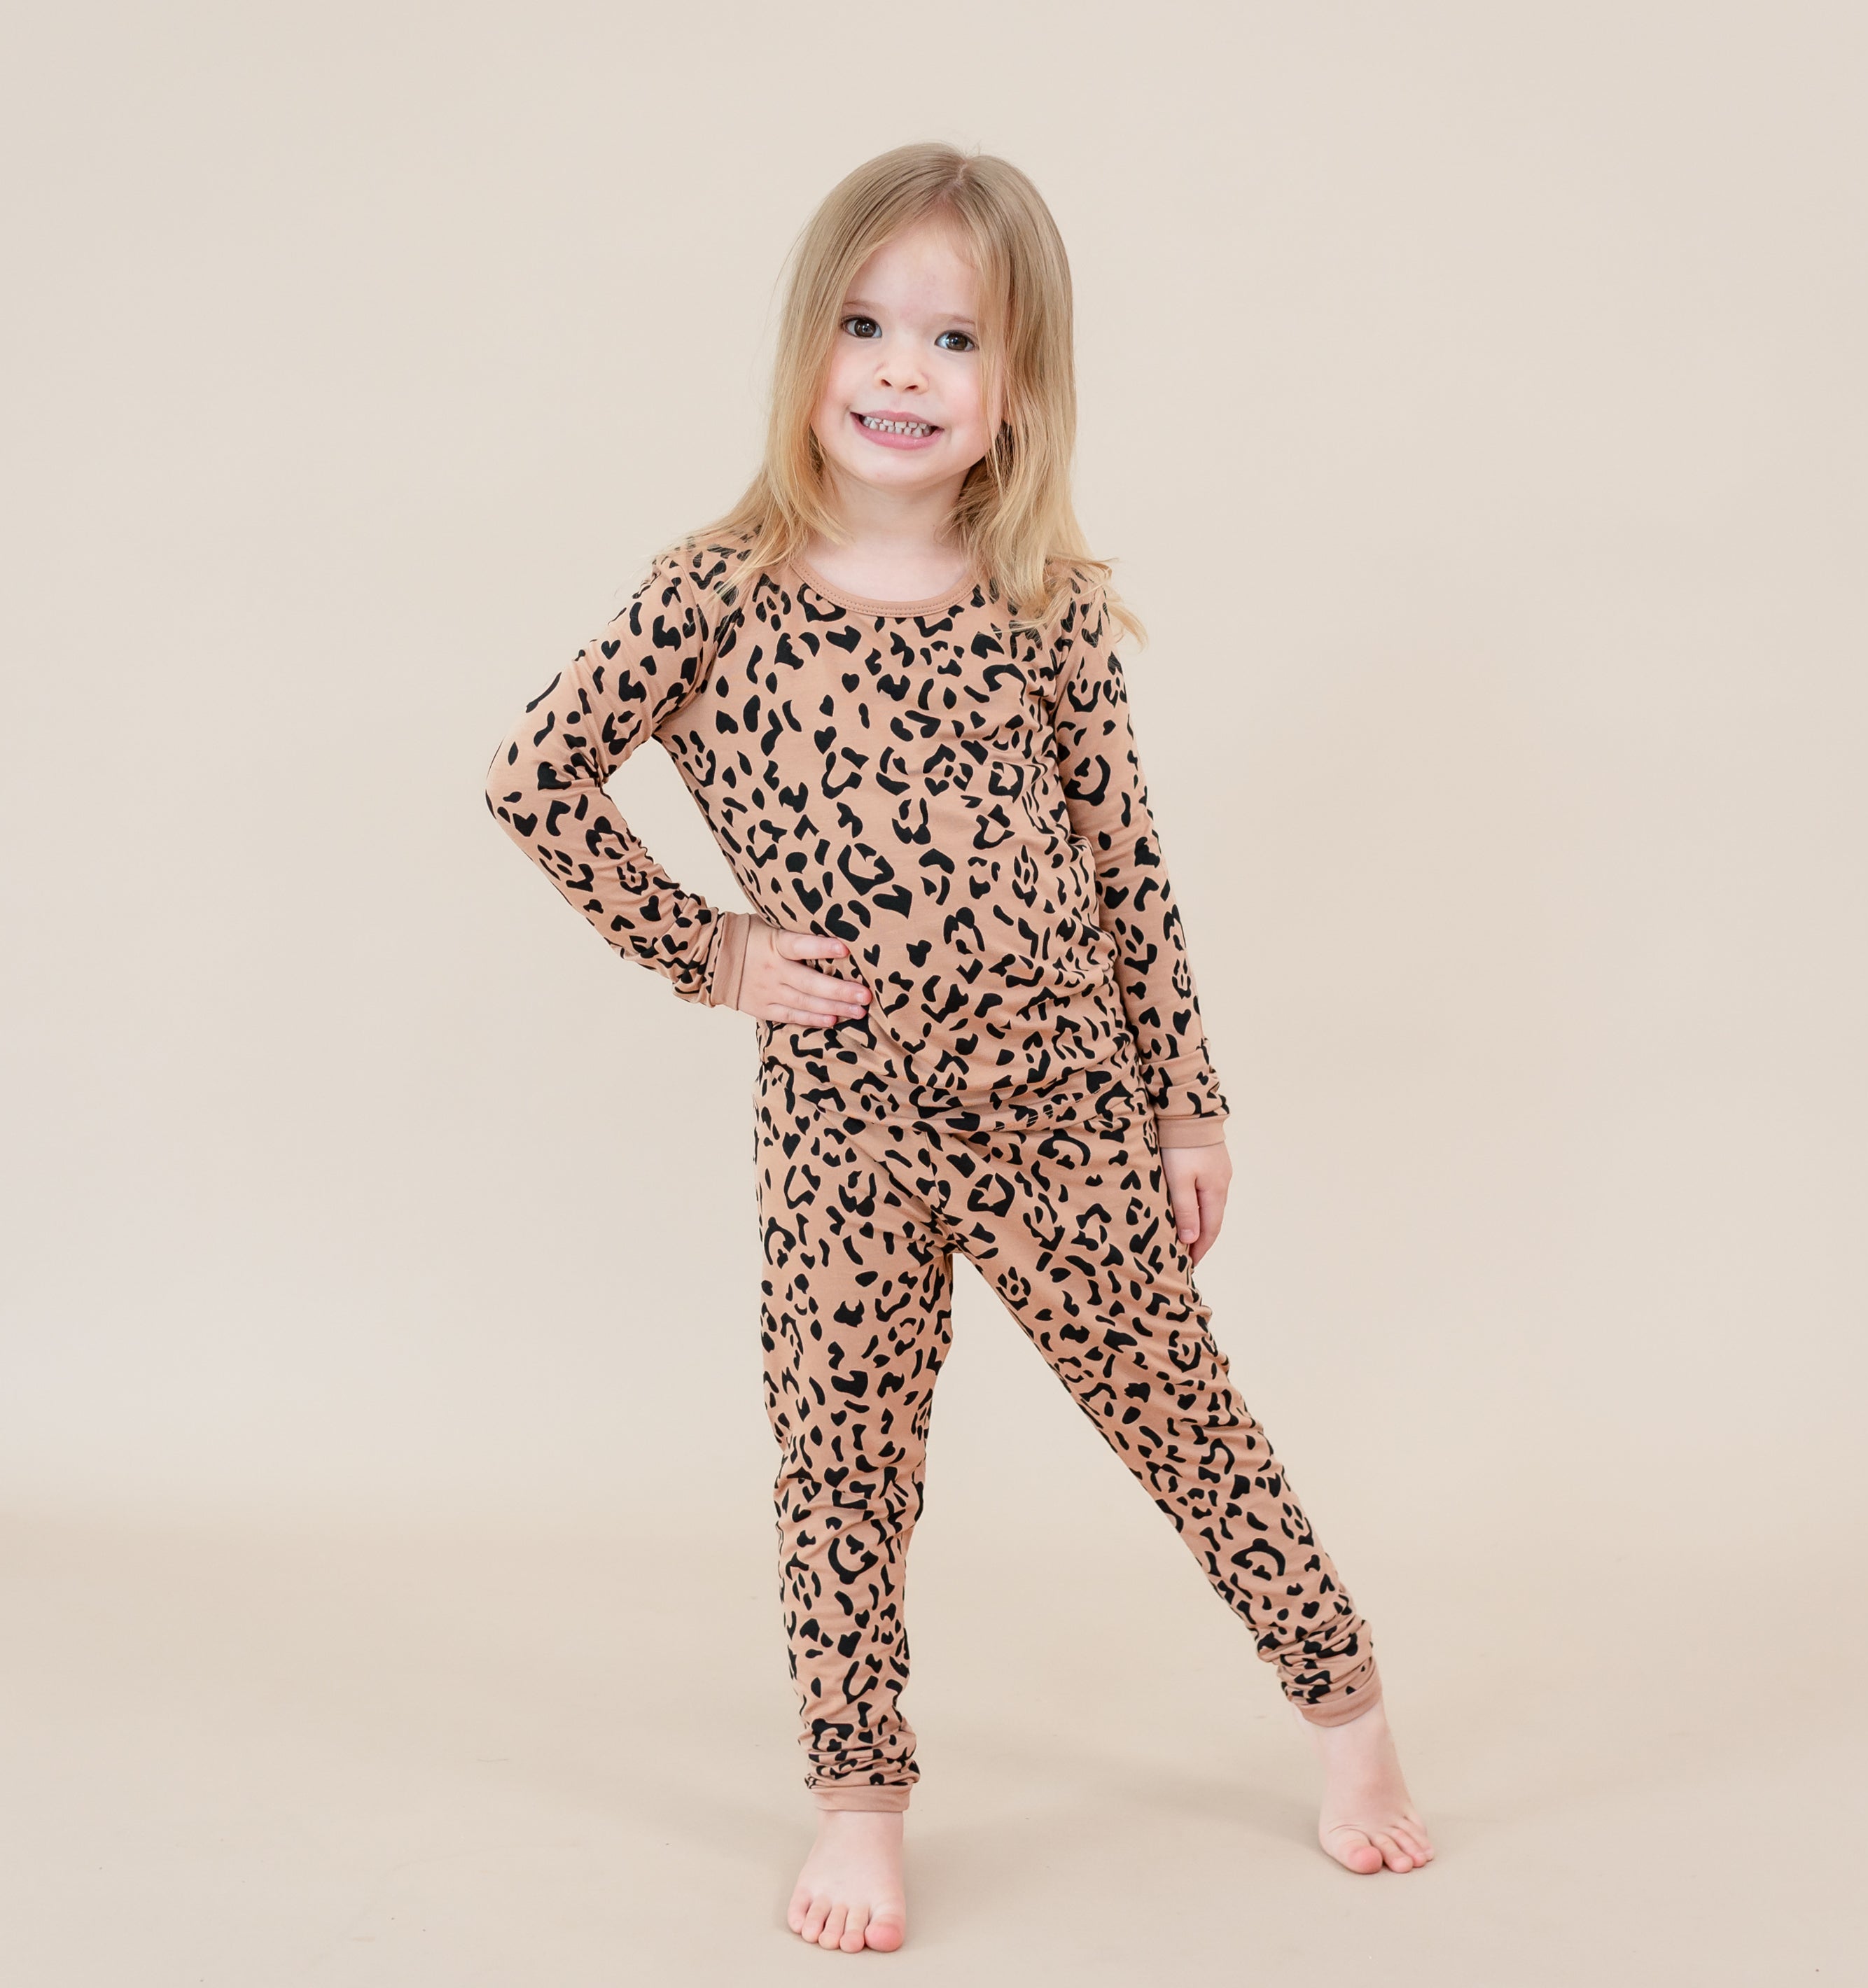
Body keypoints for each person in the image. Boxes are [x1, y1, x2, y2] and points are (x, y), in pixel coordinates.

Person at [483, 142, 1433, 1954]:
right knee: (840, 1455)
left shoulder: (1045, 605)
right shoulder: (719, 592)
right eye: (866, 326)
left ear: (1017, 392)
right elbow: (535, 780)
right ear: (807, 350)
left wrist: (1191, 1101)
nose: (903, 371)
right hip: (841, 1121)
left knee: (1184, 1417)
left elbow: (1127, 865)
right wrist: (713, 952)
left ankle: (1350, 1710)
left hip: (1062, 1108)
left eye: (954, 340)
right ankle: (860, 1801)